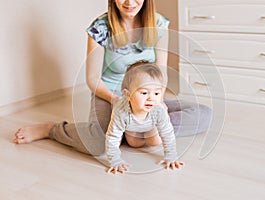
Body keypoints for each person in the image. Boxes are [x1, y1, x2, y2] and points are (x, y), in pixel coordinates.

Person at [13, 0, 211, 173]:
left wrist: (157, 101)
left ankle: (133, 129)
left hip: (145, 95)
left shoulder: (159, 24)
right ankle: (52, 129)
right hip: (109, 93)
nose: (130, 2)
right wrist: (117, 100)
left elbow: (161, 71)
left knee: (203, 114)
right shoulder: (100, 28)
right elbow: (92, 78)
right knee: (97, 144)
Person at [104, 61, 184, 174]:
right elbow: (112, 137)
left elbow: (167, 133)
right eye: (144, 93)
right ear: (127, 95)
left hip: (150, 124)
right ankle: (131, 133)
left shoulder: (158, 109)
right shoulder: (121, 111)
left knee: (155, 141)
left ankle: (149, 128)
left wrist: (171, 156)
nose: (151, 98)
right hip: (131, 125)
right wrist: (115, 161)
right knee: (134, 143)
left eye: (156, 93)